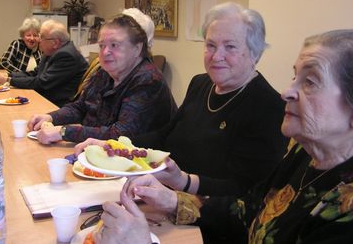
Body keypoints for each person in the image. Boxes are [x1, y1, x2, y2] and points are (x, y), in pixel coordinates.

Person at [94, 29, 353, 244]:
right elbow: (247, 209)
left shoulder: (345, 207)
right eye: (295, 76)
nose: (287, 91)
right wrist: (174, 200)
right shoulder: (303, 154)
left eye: (311, 81)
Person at [75, 2, 288, 199]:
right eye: (211, 45)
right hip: (160, 191)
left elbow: (246, 192)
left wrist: (183, 183)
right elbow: (165, 135)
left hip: (203, 212)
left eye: (230, 47)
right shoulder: (200, 84)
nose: (216, 56)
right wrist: (113, 146)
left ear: (255, 53)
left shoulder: (269, 108)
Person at [28, 8, 177, 144]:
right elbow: (81, 106)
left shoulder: (148, 80)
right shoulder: (105, 71)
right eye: (102, 45)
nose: (105, 52)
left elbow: (121, 134)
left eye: (114, 45)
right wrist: (51, 117)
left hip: (142, 165)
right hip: (101, 155)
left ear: (137, 48)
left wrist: (64, 131)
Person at [0, 20, 88, 107]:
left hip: (57, 105)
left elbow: (41, 83)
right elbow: (34, 73)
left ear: (55, 43)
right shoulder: (51, 51)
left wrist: (8, 80)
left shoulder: (66, 55)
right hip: (45, 98)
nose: (38, 40)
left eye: (42, 37)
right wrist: (8, 75)